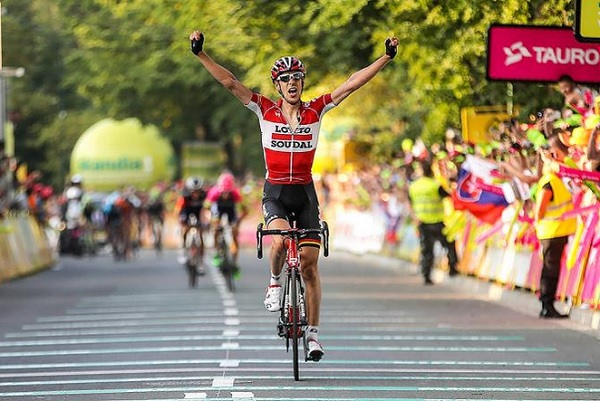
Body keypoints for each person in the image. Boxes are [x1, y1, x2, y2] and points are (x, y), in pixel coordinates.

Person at [189, 29, 398, 361]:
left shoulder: (316, 110)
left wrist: (385, 57)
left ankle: (313, 336)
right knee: (282, 239)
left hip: (305, 192)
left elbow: (351, 84)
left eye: (297, 78)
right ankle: (274, 282)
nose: (292, 83)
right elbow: (230, 83)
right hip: (276, 192)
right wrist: (201, 54)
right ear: (278, 86)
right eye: (285, 79)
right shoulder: (264, 110)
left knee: (310, 267)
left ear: (302, 82)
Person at [534, 134, 577, 319]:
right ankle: (547, 305)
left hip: (556, 231)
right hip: (552, 232)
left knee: (551, 268)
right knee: (550, 269)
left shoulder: (557, 179)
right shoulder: (549, 181)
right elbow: (540, 210)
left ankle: (547, 304)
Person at [408, 160, 459, 285]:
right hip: (437, 221)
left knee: (426, 249)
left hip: (422, 222)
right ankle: (452, 268)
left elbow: (410, 203)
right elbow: (449, 196)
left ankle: (426, 275)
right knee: (449, 244)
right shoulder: (435, 185)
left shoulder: (414, 186)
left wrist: (414, 216)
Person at [206, 171, 248, 270]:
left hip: (230, 211)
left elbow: (245, 211)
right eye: (223, 192)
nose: (225, 195)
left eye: (227, 192)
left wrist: (238, 222)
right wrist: (211, 220)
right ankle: (216, 251)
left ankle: (234, 261)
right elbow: (206, 209)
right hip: (217, 209)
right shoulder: (214, 193)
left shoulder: (235, 194)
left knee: (234, 233)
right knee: (216, 229)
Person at [174, 176, 209, 272]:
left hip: (199, 212)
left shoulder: (204, 196)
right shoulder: (184, 196)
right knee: (185, 229)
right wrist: (180, 222)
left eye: (198, 191)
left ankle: (201, 261)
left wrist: (205, 221)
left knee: (201, 236)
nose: (195, 194)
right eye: (193, 191)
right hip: (186, 211)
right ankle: (183, 250)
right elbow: (178, 211)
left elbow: (205, 209)